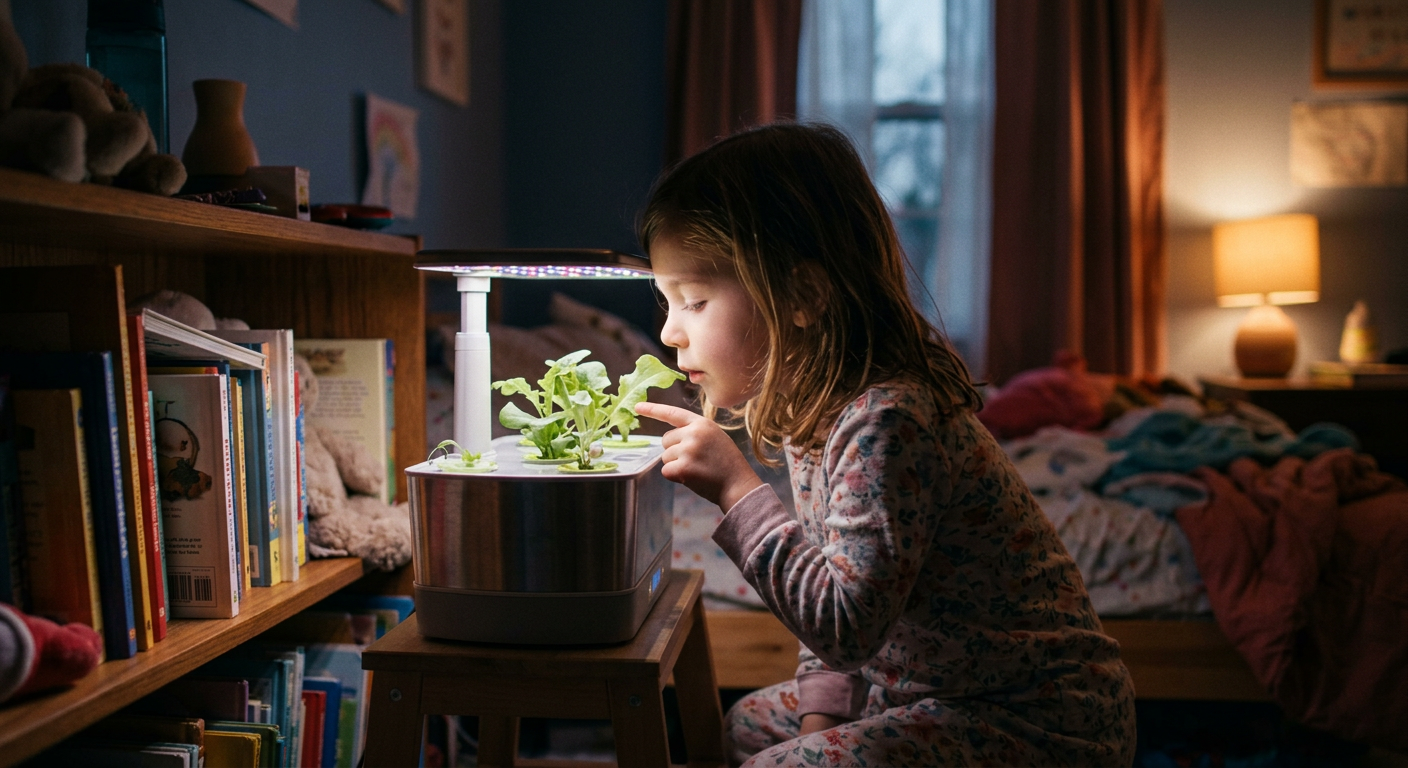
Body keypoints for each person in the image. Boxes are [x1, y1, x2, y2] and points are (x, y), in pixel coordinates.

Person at [633, 123, 1136, 767]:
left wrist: (737, 490)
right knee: (748, 727)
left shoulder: (887, 421)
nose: (670, 331)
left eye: (695, 301)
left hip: (1034, 719)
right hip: (918, 691)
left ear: (803, 297)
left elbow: (846, 624)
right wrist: (823, 724)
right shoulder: (813, 410)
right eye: (666, 300)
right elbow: (831, 590)